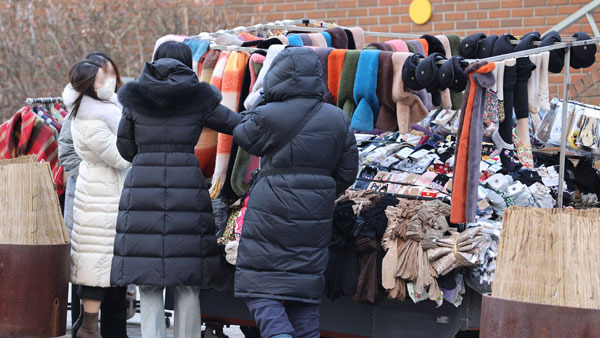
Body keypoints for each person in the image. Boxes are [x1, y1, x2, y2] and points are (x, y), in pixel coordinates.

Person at [111, 41, 240, 338]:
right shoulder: (198, 98)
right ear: (188, 62)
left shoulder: (136, 99)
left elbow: (124, 147)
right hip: (187, 189)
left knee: (149, 280)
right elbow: (237, 126)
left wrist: (147, 155)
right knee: (187, 278)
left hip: (142, 189)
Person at [232, 47, 358, 338]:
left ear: (277, 75)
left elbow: (242, 134)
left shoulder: (267, 115)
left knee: (259, 286)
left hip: (269, 211)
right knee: (303, 292)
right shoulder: (336, 117)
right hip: (314, 215)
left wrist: (263, 97)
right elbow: (348, 171)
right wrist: (321, 190)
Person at [59, 51, 131, 338]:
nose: (109, 82)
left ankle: (91, 327)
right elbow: (121, 157)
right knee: (97, 262)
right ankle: (88, 327)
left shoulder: (99, 111)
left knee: (104, 262)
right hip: (100, 196)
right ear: (91, 84)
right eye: (103, 77)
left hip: (105, 193)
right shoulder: (91, 120)